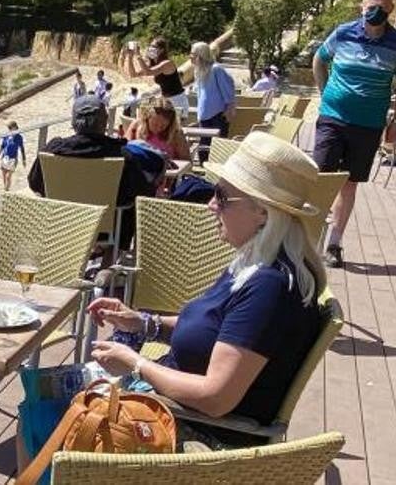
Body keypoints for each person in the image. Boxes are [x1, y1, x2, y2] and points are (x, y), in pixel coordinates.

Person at [80, 132, 325, 448]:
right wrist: (143, 323)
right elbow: (211, 330)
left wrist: (135, 363)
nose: (211, 204)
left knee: (49, 410)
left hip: (198, 432)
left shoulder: (270, 288)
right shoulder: (257, 261)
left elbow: (215, 399)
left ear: (263, 213)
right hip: (173, 407)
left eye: (221, 196)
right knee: (46, 398)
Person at [312, 0, 396, 269]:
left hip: (368, 124)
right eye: (371, 5)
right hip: (333, 115)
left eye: (382, 7)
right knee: (321, 177)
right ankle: (309, 239)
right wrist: (324, 93)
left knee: (349, 182)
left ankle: (334, 243)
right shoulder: (343, 33)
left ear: (390, 11)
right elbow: (320, 59)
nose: (376, 11)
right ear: (361, 7)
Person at [29, 95, 155, 250]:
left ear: (74, 122)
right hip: (106, 231)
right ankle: (109, 262)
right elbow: (141, 190)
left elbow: (35, 183)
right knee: (128, 206)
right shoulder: (120, 154)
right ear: (104, 122)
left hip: (61, 225)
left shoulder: (53, 150)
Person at [122, 37, 189, 119]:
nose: (150, 49)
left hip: (177, 101)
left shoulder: (167, 63)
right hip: (167, 101)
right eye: (150, 46)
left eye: (153, 46)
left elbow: (148, 72)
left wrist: (138, 55)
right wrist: (130, 57)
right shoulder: (154, 64)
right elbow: (133, 74)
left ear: (162, 50)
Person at [190, 41, 236, 149]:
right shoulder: (199, 71)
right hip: (204, 114)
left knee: (217, 146)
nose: (190, 57)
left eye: (193, 54)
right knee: (204, 145)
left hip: (218, 114)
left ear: (200, 55)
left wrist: (229, 109)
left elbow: (228, 90)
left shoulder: (216, 69)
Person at [124, 98, 192, 162]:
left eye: (163, 126)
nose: (158, 128)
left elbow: (187, 161)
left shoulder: (176, 134)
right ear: (147, 118)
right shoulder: (137, 126)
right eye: (155, 124)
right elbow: (125, 149)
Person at [0, 121, 27, 191]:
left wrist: (24, 159)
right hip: (5, 157)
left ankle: (6, 189)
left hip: (13, 159)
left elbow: (22, 148)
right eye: (9, 128)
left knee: (8, 176)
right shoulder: (6, 136)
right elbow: (2, 146)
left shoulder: (19, 137)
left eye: (11, 128)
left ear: (15, 127)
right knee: (4, 175)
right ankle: (6, 189)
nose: (10, 129)